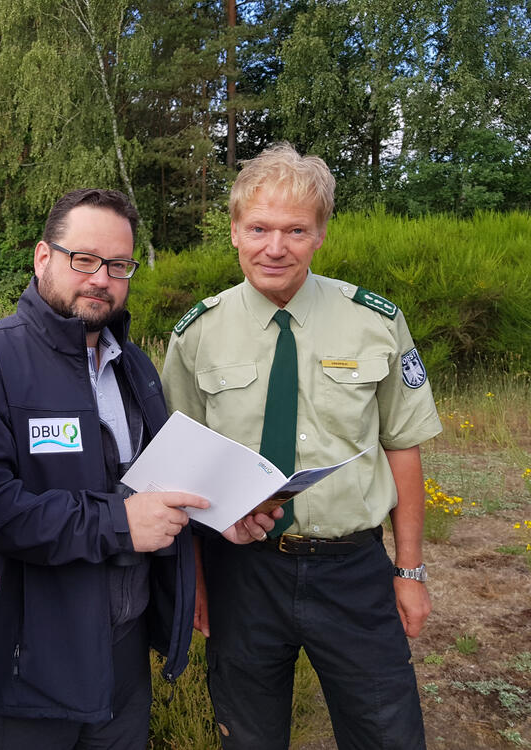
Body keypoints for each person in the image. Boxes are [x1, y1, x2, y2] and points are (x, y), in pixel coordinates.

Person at [0, 188, 272, 750]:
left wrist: (222, 513)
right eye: (83, 259)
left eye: (118, 265)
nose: (101, 278)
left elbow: (160, 483)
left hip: (122, 652)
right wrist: (119, 523)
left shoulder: (133, 366)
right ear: (44, 257)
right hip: (24, 665)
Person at [161, 143, 442, 749]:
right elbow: (180, 468)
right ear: (234, 232)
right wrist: (198, 582)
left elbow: (404, 445)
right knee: (249, 736)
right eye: (258, 227)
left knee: (387, 732)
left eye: (295, 230)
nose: (275, 246)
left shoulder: (375, 322)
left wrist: (410, 568)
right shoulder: (196, 335)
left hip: (353, 569)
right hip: (242, 570)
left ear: (320, 235)